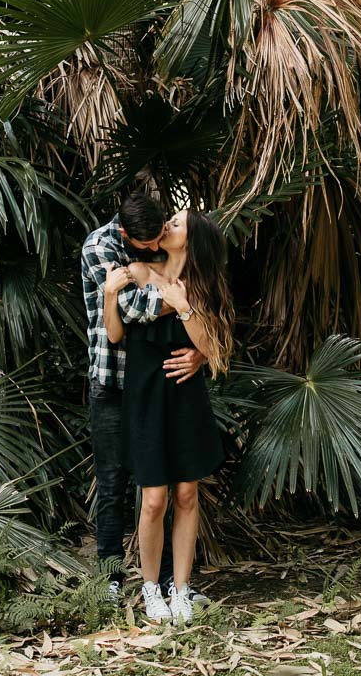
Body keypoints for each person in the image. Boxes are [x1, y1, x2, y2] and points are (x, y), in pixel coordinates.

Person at [101, 208, 233, 624]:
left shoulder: (201, 285)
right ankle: (150, 588)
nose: (167, 226)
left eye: (177, 224)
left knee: (187, 494)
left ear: (190, 240)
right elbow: (115, 333)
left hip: (185, 397)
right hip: (145, 396)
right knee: (154, 499)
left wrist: (183, 307)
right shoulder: (138, 271)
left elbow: (213, 346)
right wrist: (110, 294)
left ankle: (181, 588)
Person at [80, 192, 206, 601]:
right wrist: (185, 297)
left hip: (156, 384)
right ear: (123, 232)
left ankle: (172, 580)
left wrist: (203, 348)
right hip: (112, 379)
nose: (154, 247)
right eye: (147, 243)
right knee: (114, 481)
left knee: (164, 484)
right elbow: (131, 312)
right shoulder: (100, 248)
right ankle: (112, 577)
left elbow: (211, 323)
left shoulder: (153, 256)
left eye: (159, 238)